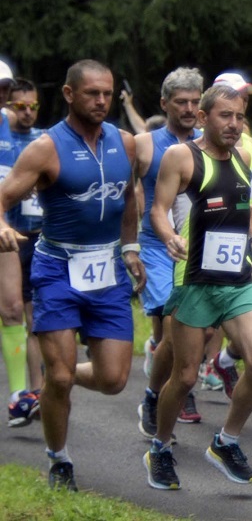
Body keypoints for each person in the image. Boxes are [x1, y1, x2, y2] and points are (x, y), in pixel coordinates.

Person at [0, 59, 146, 491]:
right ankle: (59, 459)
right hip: (57, 269)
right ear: (68, 94)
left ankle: (56, 373)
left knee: (113, 380)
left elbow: (129, 200)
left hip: (107, 270)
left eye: (107, 93)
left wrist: (131, 248)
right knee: (61, 378)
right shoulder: (46, 147)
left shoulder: (125, 143)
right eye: (91, 93)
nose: (101, 101)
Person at [142, 83, 252, 490]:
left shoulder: (243, 158)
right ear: (203, 117)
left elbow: (241, 213)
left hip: (236, 279)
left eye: (239, 117)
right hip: (195, 279)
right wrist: (169, 237)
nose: (234, 124)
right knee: (184, 377)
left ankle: (225, 442)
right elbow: (158, 209)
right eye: (225, 116)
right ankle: (160, 448)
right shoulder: (182, 157)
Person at [135, 68, 205, 438]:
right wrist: (127, 246)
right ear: (164, 104)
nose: (189, 108)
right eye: (181, 102)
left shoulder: (210, 143)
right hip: (157, 247)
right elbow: (125, 194)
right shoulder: (144, 144)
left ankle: (174, 382)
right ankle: (157, 396)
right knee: (173, 321)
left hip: (200, 248)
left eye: (195, 101)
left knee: (199, 328)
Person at [205, 71, 252, 396]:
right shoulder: (195, 145)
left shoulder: (248, 145)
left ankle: (221, 362)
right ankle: (184, 376)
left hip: (242, 236)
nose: (241, 102)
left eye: (244, 97)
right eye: (234, 96)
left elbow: (250, 190)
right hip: (203, 243)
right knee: (204, 327)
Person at [4, 77, 45, 426]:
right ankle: (20, 391)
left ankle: (36, 394)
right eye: (20, 106)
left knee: (32, 316)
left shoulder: (42, 140)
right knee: (13, 309)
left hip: (37, 238)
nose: (28, 112)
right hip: (6, 236)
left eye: (33, 106)